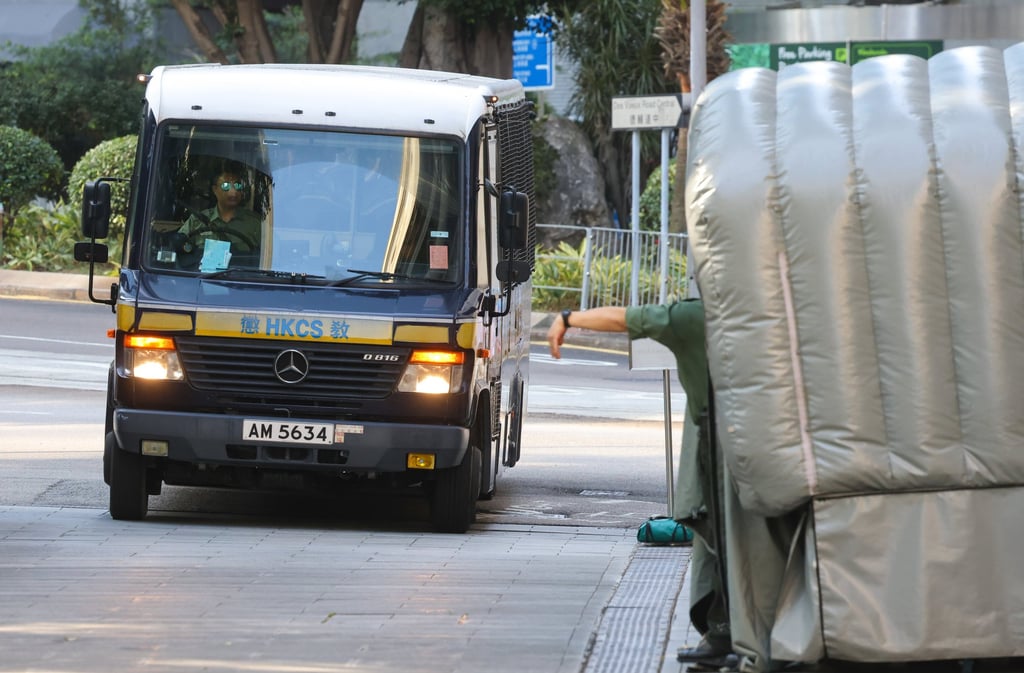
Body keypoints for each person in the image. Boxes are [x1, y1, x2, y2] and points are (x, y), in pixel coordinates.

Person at [547, 301, 736, 670]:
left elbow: (623, 318)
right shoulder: (779, 309)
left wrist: (567, 319)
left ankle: (725, 634)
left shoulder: (699, 316)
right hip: (777, 452)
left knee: (719, 544)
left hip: (720, 453)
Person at [178, 163, 262, 264]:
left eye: (237, 186)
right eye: (226, 186)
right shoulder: (197, 220)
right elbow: (178, 246)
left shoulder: (255, 223)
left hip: (243, 273)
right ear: (215, 190)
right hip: (202, 273)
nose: (233, 192)